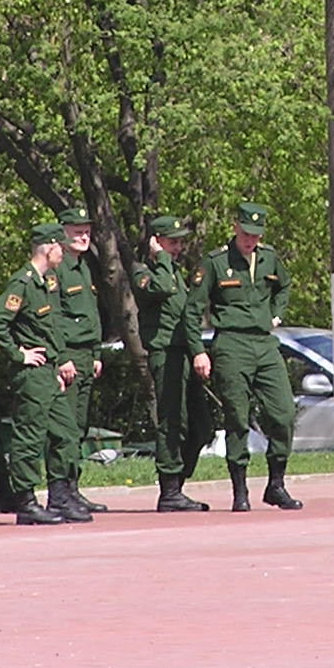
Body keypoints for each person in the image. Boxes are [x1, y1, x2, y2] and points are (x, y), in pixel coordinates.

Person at [193, 201, 303, 512]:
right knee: (237, 418)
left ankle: (276, 484)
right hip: (231, 344)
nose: (250, 240)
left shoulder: (269, 259)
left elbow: (284, 286)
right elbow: (193, 308)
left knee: (283, 414)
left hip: (265, 344)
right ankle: (240, 491)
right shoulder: (215, 262)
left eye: (255, 235)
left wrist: (277, 314)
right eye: (245, 233)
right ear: (235, 228)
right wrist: (199, 351)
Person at [0, 222, 77, 524]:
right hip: (33, 374)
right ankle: (26, 500)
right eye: (60, 247)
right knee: (30, 435)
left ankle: (60, 496)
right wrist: (18, 354)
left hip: (48, 371)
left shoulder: (46, 281)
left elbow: (50, 329)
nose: (63, 252)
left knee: (65, 432)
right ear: (48, 247)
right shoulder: (23, 283)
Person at [132, 214, 210, 512]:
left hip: (185, 354)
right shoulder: (143, 272)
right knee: (172, 421)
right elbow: (161, 288)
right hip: (165, 353)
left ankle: (178, 481)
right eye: (172, 242)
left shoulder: (175, 272)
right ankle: (169, 491)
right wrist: (161, 257)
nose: (178, 248)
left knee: (202, 427)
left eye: (179, 243)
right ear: (156, 242)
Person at [49, 206, 110, 515]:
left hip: (86, 354)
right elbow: (53, 318)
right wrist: (60, 357)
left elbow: (90, 315)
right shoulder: (57, 270)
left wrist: (97, 353)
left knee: (81, 426)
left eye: (86, 230)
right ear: (62, 233)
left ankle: (73, 487)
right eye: (77, 231)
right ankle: (60, 491)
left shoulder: (83, 267)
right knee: (66, 427)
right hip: (69, 356)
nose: (83, 236)